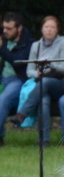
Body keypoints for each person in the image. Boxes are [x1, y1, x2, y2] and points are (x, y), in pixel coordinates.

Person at [26, 14, 64, 145]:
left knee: (45, 82)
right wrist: (38, 74)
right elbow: (29, 71)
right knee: (43, 101)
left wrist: (49, 63)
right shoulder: (35, 46)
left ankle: (22, 113)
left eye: (52, 27)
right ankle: (44, 140)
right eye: (46, 27)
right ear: (42, 29)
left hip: (60, 83)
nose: (49, 30)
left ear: (57, 30)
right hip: (41, 83)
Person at [1, 12, 32, 145]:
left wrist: (1, 48)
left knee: (3, 100)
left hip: (18, 79)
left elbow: (16, 60)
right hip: (2, 78)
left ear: (19, 28)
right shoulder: (4, 39)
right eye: (3, 28)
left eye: (9, 29)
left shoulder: (29, 43)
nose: (5, 31)